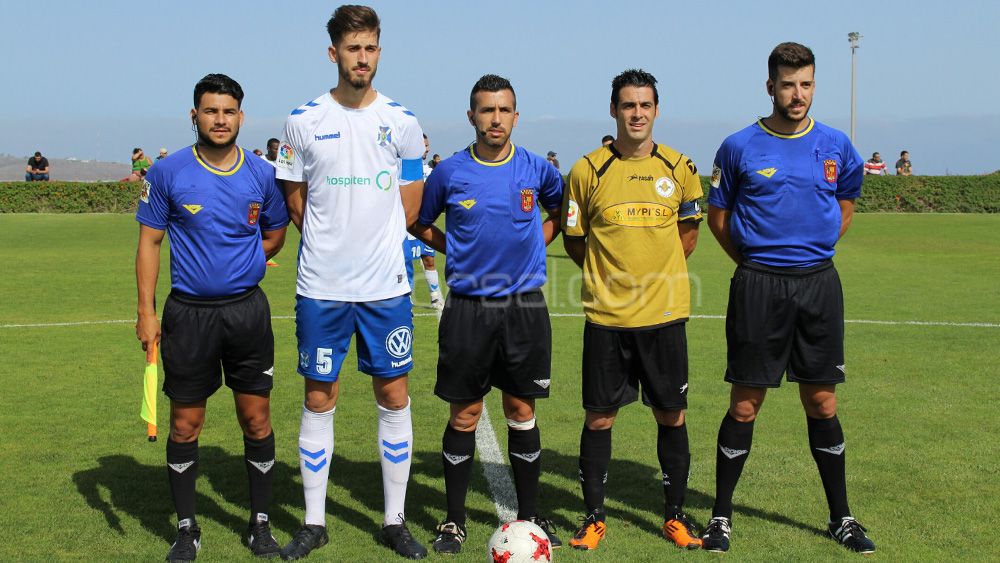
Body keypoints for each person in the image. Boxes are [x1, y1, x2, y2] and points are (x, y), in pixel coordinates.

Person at [703, 42, 875, 554]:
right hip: (759, 285)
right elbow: (718, 217)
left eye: (805, 84)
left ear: (813, 86)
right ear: (770, 87)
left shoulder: (836, 144)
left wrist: (812, 250)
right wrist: (757, 264)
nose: (797, 94)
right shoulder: (738, 146)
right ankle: (720, 517)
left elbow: (845, 202)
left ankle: (841, 517)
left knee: (822, 401)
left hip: (818, 285)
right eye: (787, 85)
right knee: (745, 403)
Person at [275, 5, 427, 560]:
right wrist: (334, 243)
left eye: (370, 48)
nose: (362, 58)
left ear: (379, 52)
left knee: (393, 395)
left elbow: (410, 209)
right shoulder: (301, 121)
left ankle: (394, 521)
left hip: (386, 287)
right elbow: (296, 204)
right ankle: (314, 522)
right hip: (322, 287)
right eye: (352, 48)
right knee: (320, 396)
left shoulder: (403, 122)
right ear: (333, 52)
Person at [134, 73, 289, 562]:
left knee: (256, 419)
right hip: (188, 315)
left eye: (228, 112)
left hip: (247, 313)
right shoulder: (168, 172)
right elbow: (150, 242)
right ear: (194, 115)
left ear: (241, 116)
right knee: (185, 424)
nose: (220, 120)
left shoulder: (262, 173)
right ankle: (186, 529)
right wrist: (145, 312)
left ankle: (260, 525)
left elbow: (276, 232)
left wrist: (246, 265)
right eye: (210, 111)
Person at [411, 74, 563, 555]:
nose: (495, 119)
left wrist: (536, 241)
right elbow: (419, 222)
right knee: (465, 414)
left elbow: (560, 212)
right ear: (471, 116)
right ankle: (454, 521)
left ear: (516, 116)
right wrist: (454, 249)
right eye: (486, 110)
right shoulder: (450, 173)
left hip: (524, 308)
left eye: (503, 110)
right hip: (468, 309)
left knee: (522, 411)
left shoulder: (538, 169)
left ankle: (530, 517)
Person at [561, 68, 704, 552]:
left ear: (656, 110)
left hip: (664, 317)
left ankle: (675, 516)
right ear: (613, 110)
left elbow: (688, 236)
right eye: (628, 105)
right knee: (599, 419)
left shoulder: (680, 167)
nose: (636, 114)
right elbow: (575, 240)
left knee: (671, 416)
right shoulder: (587, 170)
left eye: (644, 105)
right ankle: (594, 518)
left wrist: (655, 276)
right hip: (607, 320)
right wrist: (610, 278)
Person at [404, 133, 444, 311]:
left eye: (428, 146)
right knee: (404, 262)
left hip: (423, 224)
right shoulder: (402, 168)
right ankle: (406, 298)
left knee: (429, 259)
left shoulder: (430, 171)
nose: (427, 149)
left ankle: (435, 297)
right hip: (406, 225)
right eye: (425, 146)